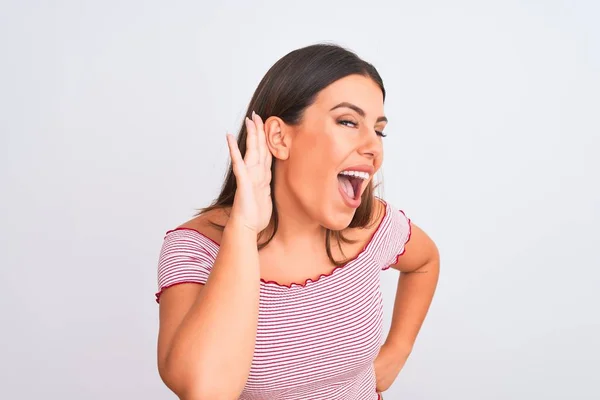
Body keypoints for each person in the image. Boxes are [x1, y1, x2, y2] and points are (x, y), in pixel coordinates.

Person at [154, 43, 440, 399]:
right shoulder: (195, 250)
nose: (373, 147)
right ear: (279, 137)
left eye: (379, 130)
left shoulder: (370, 226)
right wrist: (243, 232)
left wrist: (398, 349)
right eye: (348, 122)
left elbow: (425, 261)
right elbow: (204, 391)